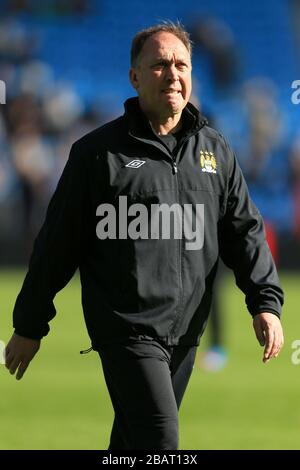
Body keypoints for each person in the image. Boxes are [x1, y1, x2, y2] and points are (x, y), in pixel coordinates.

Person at [5, 22, 284, 450]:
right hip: (127, 330)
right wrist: (29, 323)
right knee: (161, 440)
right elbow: (58, 244)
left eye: (181, 64)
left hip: (187, 329)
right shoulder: (97, 154)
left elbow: (244, 231)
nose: (172, 74)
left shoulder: (216, 150)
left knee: (133, 447)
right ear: (134, 77)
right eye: (159, 65)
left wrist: (265, 302)